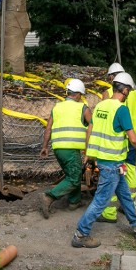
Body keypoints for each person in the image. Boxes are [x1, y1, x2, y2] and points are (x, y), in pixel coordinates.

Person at [72, 72, 136, 248]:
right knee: (101, 201)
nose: (129, 95)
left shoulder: (101, 106)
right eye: (129, 92)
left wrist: (89, 153)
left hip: (107, 161)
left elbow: (92, 130)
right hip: (112, 163)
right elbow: (133, 139)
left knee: (124, 195)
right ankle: (80, 234)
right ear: (124, 90)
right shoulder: (121, 109)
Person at [39, 78, 92, 217]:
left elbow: (48, 128)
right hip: (71, 148)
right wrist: (90, 147)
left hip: (58, 149)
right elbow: (93, 127)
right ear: (78, 94)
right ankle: (49, 196)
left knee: (72, 174)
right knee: (74, 178)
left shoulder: (56, 108)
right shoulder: (83, 108)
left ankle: (74, 202)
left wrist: (45, 146)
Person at [99, 67, 136, 224]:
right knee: (130, 170)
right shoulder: (135, 94)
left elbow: (102, 117)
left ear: (112, 77)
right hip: (132, 139)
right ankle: (129, 205)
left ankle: (109, 211)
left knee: (113, 171)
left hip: (115, 139)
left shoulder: (108, 93)